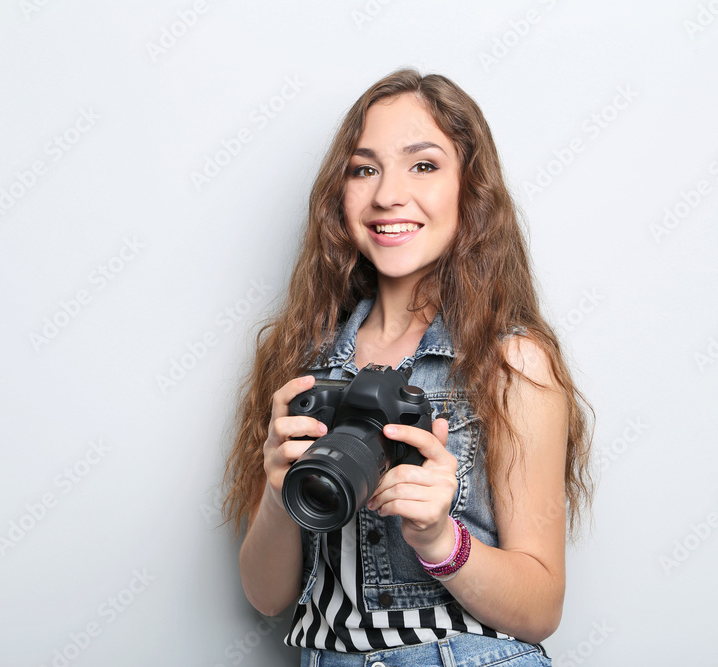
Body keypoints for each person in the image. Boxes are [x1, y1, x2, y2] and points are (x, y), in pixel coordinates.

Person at [223, 68, 593, 666]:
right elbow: (268, 597)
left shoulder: (512, 363)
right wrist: (276, 490)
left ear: (469, 189)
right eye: (364, 169)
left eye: (423, 165)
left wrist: (439, 539)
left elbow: (540, 607)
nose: (388, 194)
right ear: (338, 194)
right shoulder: (301, 360)